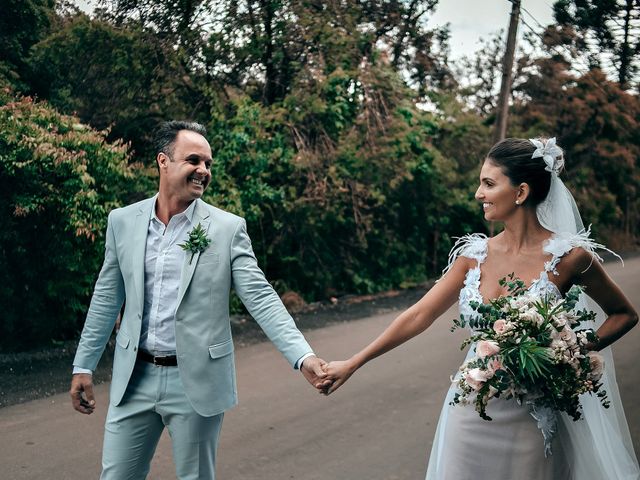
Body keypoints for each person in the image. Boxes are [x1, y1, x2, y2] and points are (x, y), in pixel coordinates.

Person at [323, 137, 640, 479]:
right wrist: (354, 363)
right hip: (469, 412)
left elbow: (625, 314)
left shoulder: (570, 258)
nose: (478, 193)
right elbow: (418, 315)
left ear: (520, 192)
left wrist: (569, 350)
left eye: (488, 183)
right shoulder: (472, 257)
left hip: (532, 418)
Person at [69, 120, 332, 479]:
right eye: (194, 160)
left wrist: (303, 356)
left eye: (208, 164)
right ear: (163, 161)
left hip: (195, 381)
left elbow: (261, 297)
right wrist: (83, 365)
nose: (203, 171)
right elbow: (106, 297)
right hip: (134, 379)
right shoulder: (123, 222)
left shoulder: (227, 228)